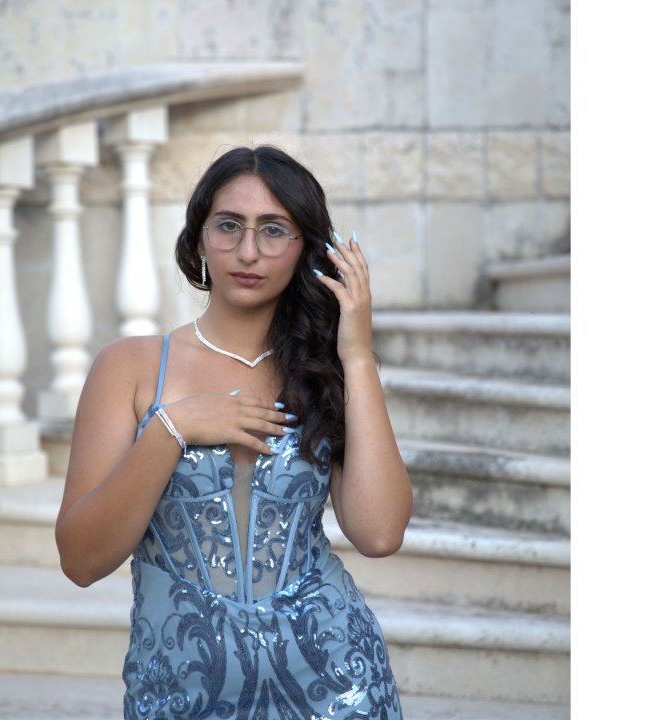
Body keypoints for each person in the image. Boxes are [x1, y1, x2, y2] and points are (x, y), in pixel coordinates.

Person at [56, 145, 412, 718]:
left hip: (338, 687)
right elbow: (81, 560)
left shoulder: (327, 371)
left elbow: (380, 533)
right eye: (228, 226)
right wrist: (173, 428)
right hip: (181, 692)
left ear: (305, 248)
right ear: (199, 238)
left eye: (274, 230)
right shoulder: (130, 366)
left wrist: (357, 356)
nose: (249, 251)